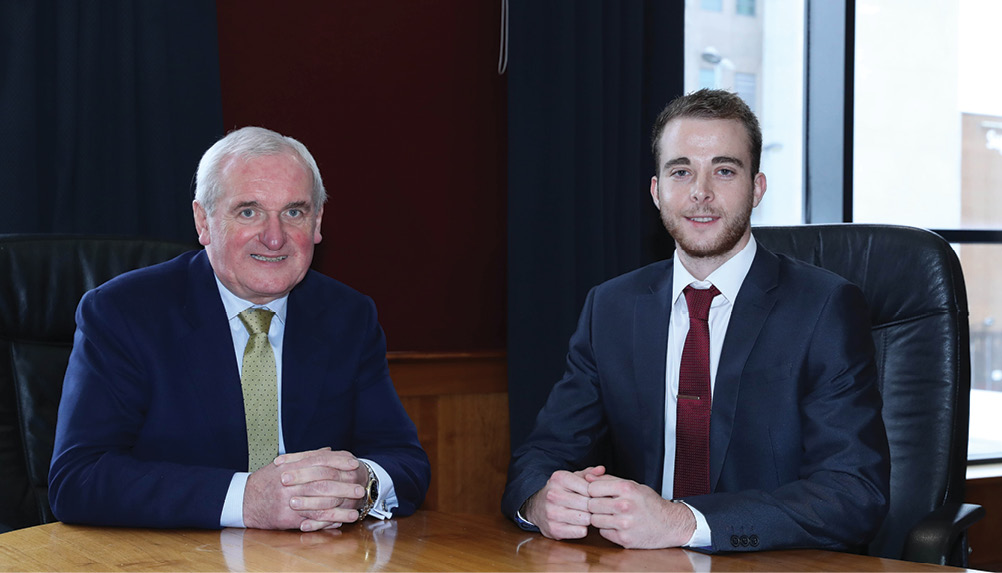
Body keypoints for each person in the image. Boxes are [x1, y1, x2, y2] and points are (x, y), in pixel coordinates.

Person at [502, 89, 890, 552]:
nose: (700, 192)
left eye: (724, 171)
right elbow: (542, 453)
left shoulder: (824, 307)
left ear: (757, 188)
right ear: (656, 190)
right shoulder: (610, 307)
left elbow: (852, 493)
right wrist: (542, 499)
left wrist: (682, 522)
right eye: (681, 171)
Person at [49, 126, 430, 532]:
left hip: (314, 556)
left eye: (294, 212)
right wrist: (244, 499)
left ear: (317, 223)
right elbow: (79, 477)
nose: (274, 237)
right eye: (249, 211)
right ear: (204, 221)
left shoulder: (347, 316)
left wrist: (361, 482)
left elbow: (404, 460)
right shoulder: (124, 313)